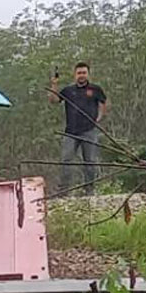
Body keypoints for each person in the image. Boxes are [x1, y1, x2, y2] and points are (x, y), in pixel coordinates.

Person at [49, 62, 109, 195]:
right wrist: (54, 84)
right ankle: (64, 192)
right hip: (71, 132)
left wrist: (99, 118)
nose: (81, 75)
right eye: (79, 73)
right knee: (66, 161)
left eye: (84, 73)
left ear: (88, 74)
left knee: (90, 162)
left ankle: (89, 192)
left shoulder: (95, 89)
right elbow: (53, 100)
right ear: (74, 74)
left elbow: (104, 103)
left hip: (89, 131)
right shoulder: (68, 90)